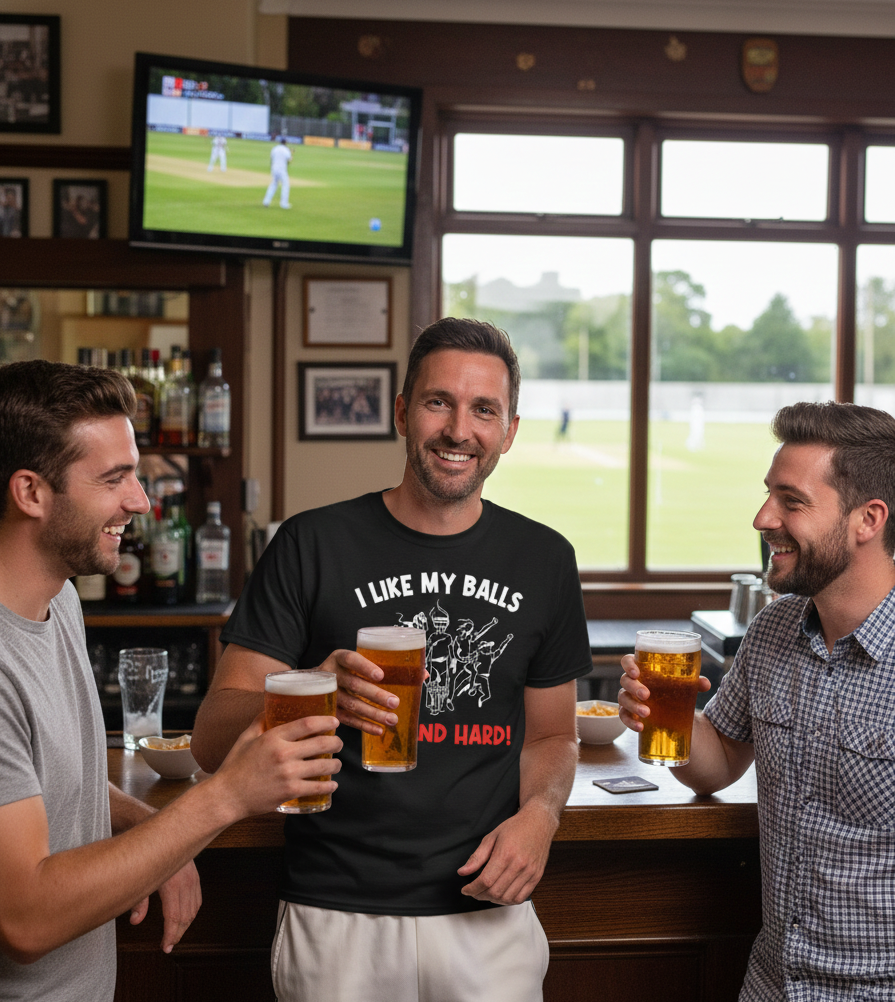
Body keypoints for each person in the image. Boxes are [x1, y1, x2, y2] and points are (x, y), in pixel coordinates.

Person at [191, 318, 592, 1002]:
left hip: (486, 912)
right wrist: (313, 684)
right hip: (334, 910)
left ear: (510, 430)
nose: (458, 429)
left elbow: (554, 734)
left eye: (483, 409)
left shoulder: (545, 558)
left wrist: (541, 817)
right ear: (404, 412)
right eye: (438, 401)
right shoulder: (309, 543)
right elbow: (211, 735)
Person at [0, 360, 342, 1002]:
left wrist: (153, 836)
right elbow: (25, 918)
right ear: (31, 493)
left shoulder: (60, 601)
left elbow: (58, 780)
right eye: (115, 479)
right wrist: (224, 798)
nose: (141, 500)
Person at [618, 400, 895, 1002]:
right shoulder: (773, 631)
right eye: (769, 494)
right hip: (770, 984)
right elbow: (717, 767)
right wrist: (668, 714)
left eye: (792, 502)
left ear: (868, 519)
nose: (762, 517)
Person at [262, 136, 293, 210]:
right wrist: (291, 155)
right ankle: (284, 204)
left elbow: (272, 158)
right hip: (282, 169)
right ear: (285, 142)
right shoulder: (286, 150)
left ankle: (266, 201)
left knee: (273, 184)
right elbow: (289, 161)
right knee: (285, 185)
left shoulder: (275, 148)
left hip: (274, 169)